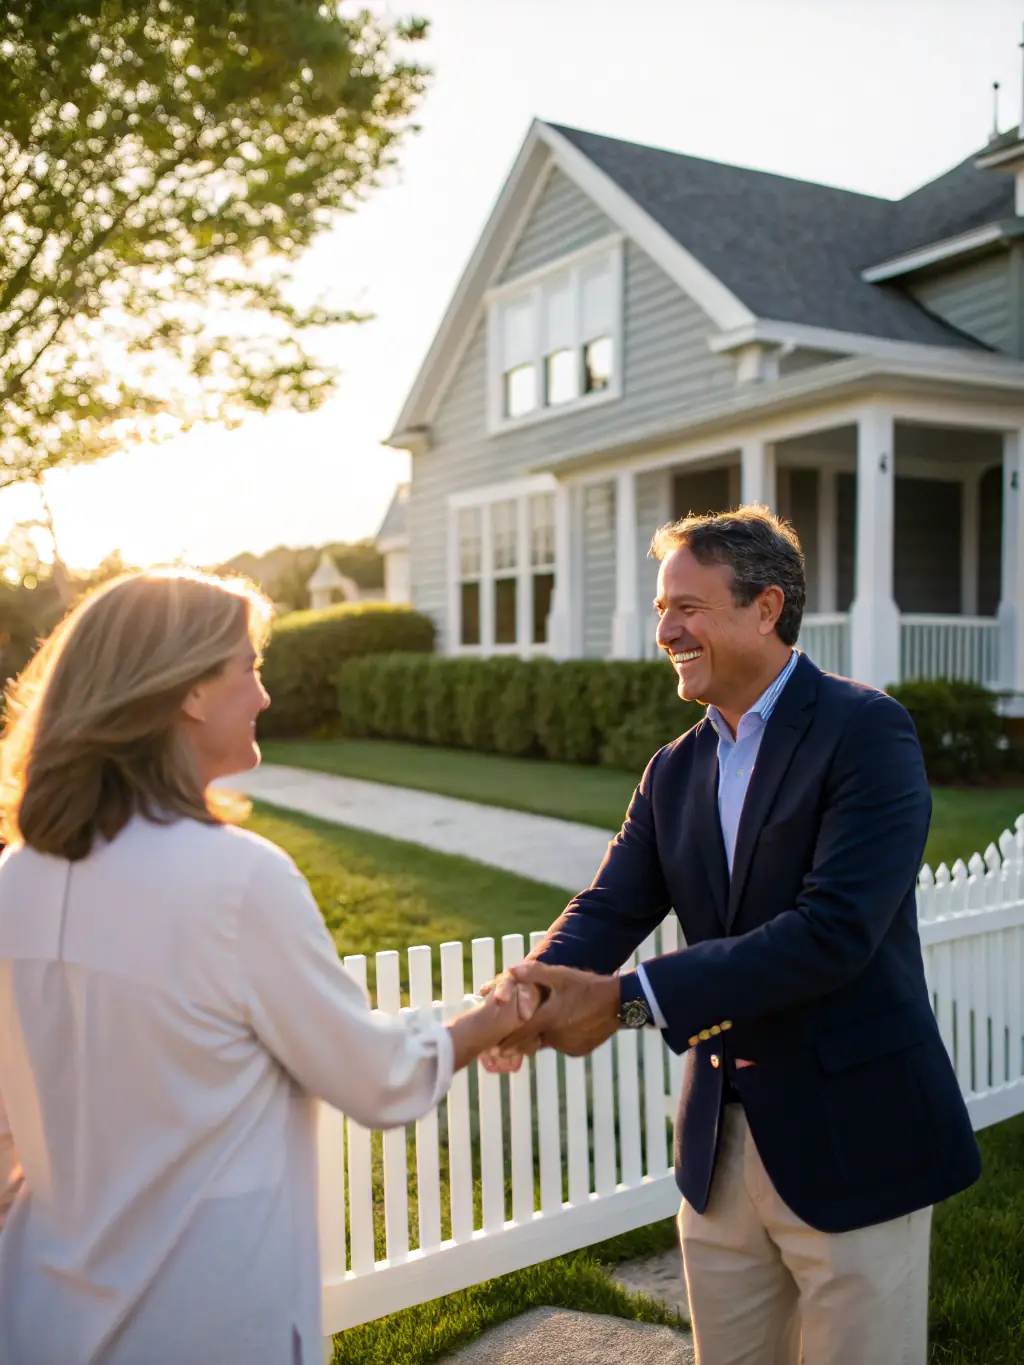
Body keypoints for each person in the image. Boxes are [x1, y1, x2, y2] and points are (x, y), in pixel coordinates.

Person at [486, 506, 981, 1365]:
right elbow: (609, 905)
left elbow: (833, 933)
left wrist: (631, 1001)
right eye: (661, 608)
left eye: (688, 606)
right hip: (717, 1148)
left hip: (856, 1137)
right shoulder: (674, 767)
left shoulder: (868, 732)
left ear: (765, 607)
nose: (667, 629)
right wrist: (529, 991)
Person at [0, 569, 523, 1365]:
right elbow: (378, 1075)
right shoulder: (236, 879)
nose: (265, 694)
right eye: (249, 666)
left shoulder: (16, 879)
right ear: (189, 692)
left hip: (39, 1315)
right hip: (203, 1319)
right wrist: (495, 1016)